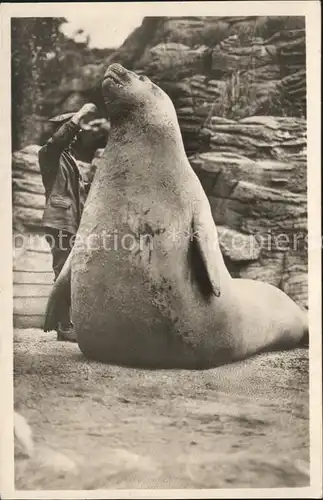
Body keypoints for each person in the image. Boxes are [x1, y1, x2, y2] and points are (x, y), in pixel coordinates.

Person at [38, 103, 97, 342]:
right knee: (63, 271)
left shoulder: (67, 158)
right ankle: (63, 326)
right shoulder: (49, 153)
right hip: (59, 221)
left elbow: (79, 192)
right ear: (60, 130)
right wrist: (81, 113)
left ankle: (66, 323)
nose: (77, 135)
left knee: (68, 272)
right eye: (73, 129)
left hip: (70, 222)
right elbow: (59, 140)